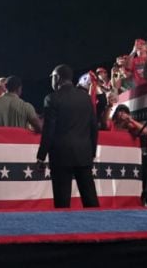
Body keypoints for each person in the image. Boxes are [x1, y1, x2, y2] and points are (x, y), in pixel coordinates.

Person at [36, 64, 99, 208]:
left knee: (62, 202)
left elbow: (48, 131)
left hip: (60, 156)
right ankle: (98, 228)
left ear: (57, 78)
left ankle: (65, 230)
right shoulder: (86, 98)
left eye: (52, 77)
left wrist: (41, 156)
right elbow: (93, 127)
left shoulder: (51, 98)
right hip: (83, 154)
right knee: (90, 199)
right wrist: (92, 152)